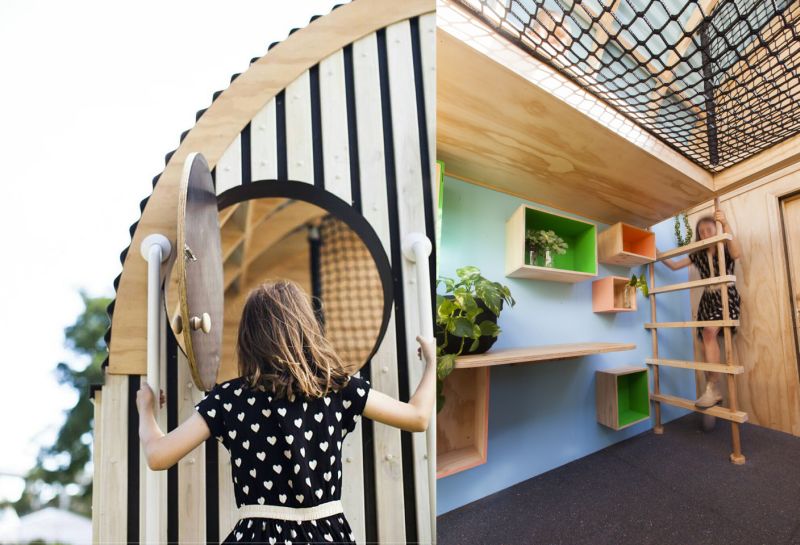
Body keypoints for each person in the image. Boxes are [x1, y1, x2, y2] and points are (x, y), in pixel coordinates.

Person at [136, 279, 436, 544]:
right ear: (306, 327)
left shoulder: (229, 399)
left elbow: (158, 456)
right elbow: (418, 417)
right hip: (328, 534)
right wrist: (432, 366)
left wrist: (146, 410)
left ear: (248, 339)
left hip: (257, 535)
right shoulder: (338, 389)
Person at [660, 208, 742, 409]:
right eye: (702, 231)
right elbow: (674, 265)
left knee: (708, 332)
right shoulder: (698, 255)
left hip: (726, 295)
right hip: (707, 299)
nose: (705, 234)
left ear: (716, 229)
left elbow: (737, 253)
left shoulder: (724, 245)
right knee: (707, 338)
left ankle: (712, 387)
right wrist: (657, 253)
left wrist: (726, 223)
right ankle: (712, 389)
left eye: (709, 229)